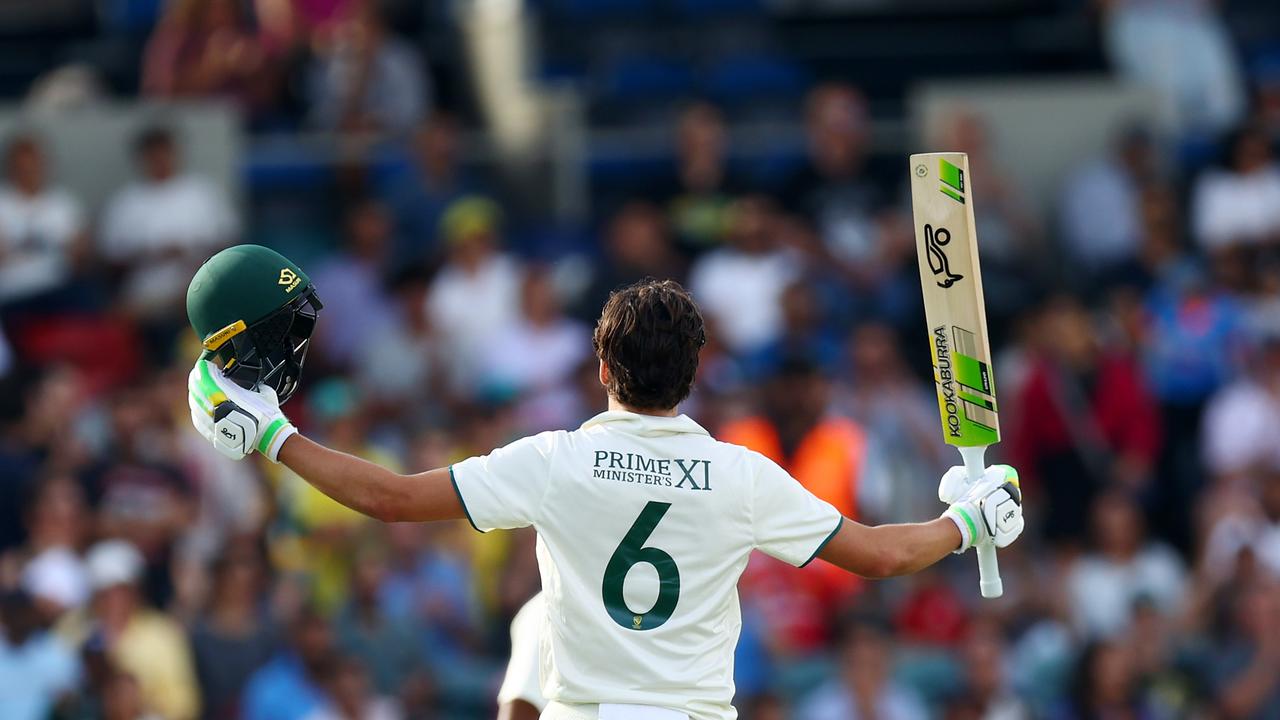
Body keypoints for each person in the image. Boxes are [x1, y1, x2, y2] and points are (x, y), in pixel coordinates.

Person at [185, 245, 1026, 720]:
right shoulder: (740, 474)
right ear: (694, 374)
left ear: (599, 367)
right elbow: (880, 556)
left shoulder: (552, 461)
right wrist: (968, 520)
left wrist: (270, 433)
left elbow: (390, 498)